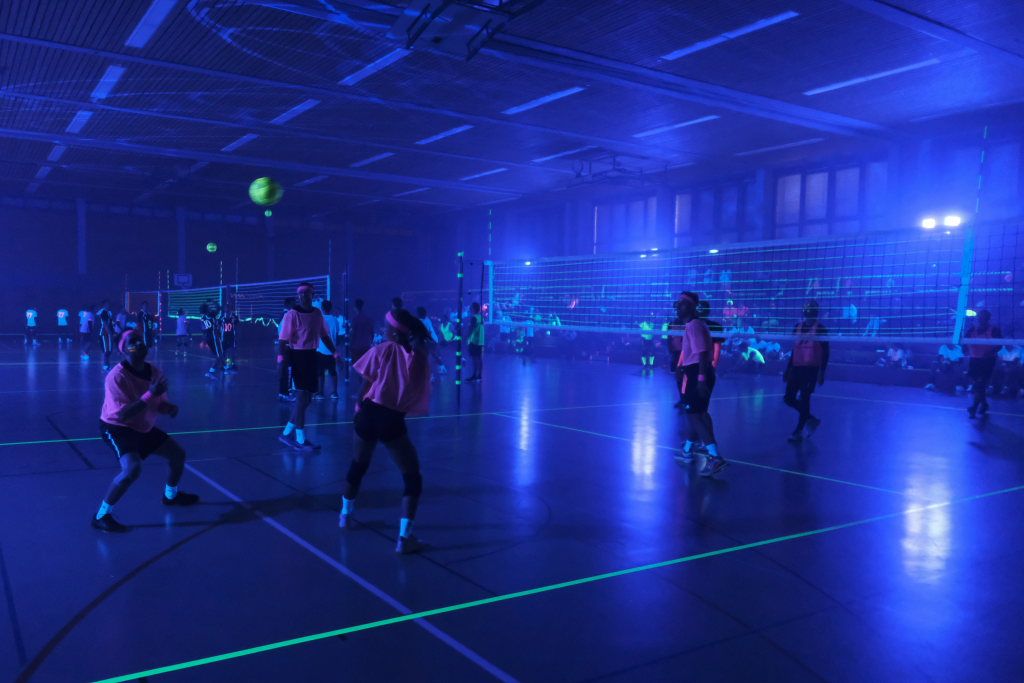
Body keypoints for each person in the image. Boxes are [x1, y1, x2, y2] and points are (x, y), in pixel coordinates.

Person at [339, 308, 431, 554]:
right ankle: (404, 538)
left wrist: (358, 406)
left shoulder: (382, 350)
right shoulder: (417, 357)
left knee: (358, 464)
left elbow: (366, 380)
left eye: (386, 326)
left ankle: (345, 515)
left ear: (395, 332)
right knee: (412, 476)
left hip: (369, 413)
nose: (382, 329)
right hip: (391, 419)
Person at [93, 330, 199, 532]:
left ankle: (170, 496)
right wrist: (150, 394)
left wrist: (168, 407)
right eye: (133, 342)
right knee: (132, 469)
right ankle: (101, 515)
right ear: (123, 349)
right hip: (118, 428)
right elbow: (123, 415)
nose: (140, 343)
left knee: (178, 455)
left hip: (142, 426)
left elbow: (158, 403)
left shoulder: (155, 373)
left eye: (140, 340)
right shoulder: (116, 377)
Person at [278, 283, 338, 450]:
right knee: (301, 398)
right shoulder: (292, 314)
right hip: (298, 356)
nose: (303, 295)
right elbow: (283, 339)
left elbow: (324, 335)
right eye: (300, 293)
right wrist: (281, 359)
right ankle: (300, 439)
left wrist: (335, 353)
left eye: (306, 292)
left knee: (308, 399)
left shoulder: (317, 313)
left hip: (312, 355)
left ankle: (286, 433)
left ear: (312, 294)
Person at [675, 292, 726, 476]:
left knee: (695, 416)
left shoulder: (694, 325)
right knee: (698, 415)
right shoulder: (693, 325)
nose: (678, 306)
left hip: (697, 372)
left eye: (682, 303)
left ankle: (715, 457)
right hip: (697, 371)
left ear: (691, 307)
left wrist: (701, 379)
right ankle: (688, 450)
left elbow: (703, 353)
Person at [783, 301, 830, 443]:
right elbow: (795, 349)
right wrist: (788, 368)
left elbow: (826, 352)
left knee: (805, 398)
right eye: (807, 310)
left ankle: (798, 431)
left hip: (811, 369)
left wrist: (822, 371)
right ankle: (810, 418)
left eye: (811, 310)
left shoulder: (820, 329)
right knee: (788, 398)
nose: (808, 312)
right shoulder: (797, 327)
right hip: (797, 367)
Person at [965, 310, 1001, 418]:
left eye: (984, 317)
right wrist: (965, 349)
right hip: (974, 360)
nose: (981, 319)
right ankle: (984, 405)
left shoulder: (994, 330)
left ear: (988, 318)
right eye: (980, 317)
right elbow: (965, 341)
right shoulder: (972, 329)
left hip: (987, 361)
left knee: (979, 384)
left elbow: (1000, 345)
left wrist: (990, 352)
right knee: (978, 385)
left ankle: (974, 407)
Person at [315, 300, 341, 400]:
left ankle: (320, 393)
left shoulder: (319, 320)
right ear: (331, 308)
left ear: (322, 308)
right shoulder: (335, 320)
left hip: (320, 350)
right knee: (333, 372)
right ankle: (334, 393)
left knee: (320, 373)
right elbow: (337, 336)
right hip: (332, 351)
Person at [417, 306, 446, 380]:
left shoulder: (422, 321)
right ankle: (442, 368)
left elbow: (427, 332)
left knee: (426, 358)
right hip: (434, 340)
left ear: (419, 313)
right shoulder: (427, 319)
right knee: (435, 355)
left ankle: (431, 375)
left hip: (429, 341)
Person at [200, 303, 225, 378]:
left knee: (220, 354)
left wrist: (204, 341)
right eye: (209, 307)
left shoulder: (202, 318)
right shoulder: (211, 314)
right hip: (214, 337)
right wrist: (213, 302)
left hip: (208, 338)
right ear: (207, 309)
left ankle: (223, 367)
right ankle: (210, 372)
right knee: (220, 355)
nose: (210, 308)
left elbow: (203, 330)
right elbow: (219, 308)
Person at [277, 298, 294, 401]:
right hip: (287, 348)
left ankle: (283, 392)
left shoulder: (284, 316)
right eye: (293, 304)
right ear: (289, 305)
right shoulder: (287, 317)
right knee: (287, 371)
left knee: (285, 371)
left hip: (285, 348)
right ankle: (285, 393)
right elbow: (283, 336)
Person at [350, 298, 374, 365]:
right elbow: (372, 333)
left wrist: (350, 345)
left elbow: (353, 334)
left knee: (356, 365)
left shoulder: (355, 319)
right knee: (365, 366)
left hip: (356, 347)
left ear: (355, 307)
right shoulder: (368, 319)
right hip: (366, 346)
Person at [466, 302, 485, 381]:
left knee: (474, 358)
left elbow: (471, 329)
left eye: (471, 307)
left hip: (474, 341)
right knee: (479, 358)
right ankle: (479, 375)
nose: (470, 309)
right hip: (481, 340)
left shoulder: (474, 318)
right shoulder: (481, 317)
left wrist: (466, 337)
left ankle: (474, 375)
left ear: (473, 309)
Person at [97, 303, 117, 370]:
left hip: (108, 333)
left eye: (109, 305)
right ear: (104, 305)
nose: (109, 306)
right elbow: (105, 324)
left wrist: (113, 330)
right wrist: (110, 333)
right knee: (107, 350)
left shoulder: (108, 313)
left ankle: (107, 364)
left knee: (109, 350)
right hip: (105, 334)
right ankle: (105, 364)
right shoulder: (104, 313)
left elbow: (110, 323)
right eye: (107, 305)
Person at [222, 308, 239, 373]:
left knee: (231, 352)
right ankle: (227, 364)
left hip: (230, 337)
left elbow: (237, 323)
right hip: (226, 337)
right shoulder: (225, 319)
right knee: (228, 352)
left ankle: (230, 364)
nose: (227, 314)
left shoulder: (229, 319)